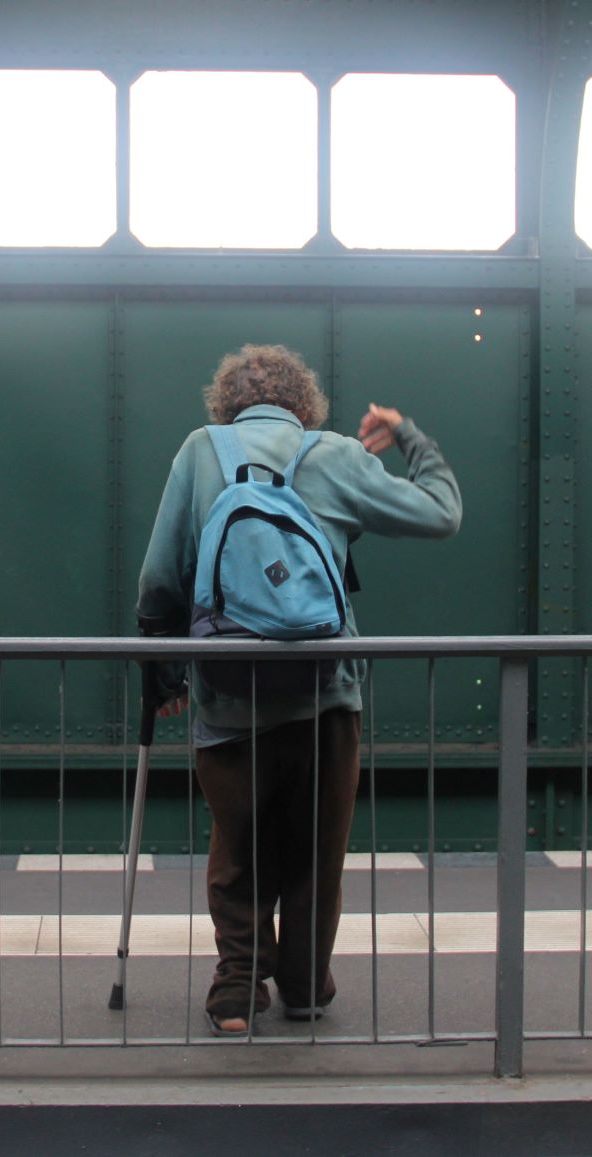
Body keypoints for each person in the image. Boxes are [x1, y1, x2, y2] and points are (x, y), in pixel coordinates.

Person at [135, 344, 461, 1036]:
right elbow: (442, 512)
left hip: (227, 696)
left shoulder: (200, 450)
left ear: (226, 400)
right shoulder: (337, 455)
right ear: (303, 400)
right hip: (325, 697)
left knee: (238, 846)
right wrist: (407, 435)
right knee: (317, 850)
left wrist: (164, 674)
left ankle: (236, 992)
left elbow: (159, 579)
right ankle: (306, 986)